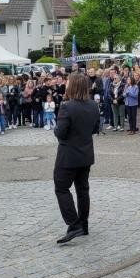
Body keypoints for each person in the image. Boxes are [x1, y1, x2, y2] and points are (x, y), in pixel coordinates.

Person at [52, 72, 101, 244]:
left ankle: (74, 224)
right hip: (86, 154)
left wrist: (56, 128)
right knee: (82, 189)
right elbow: (96, 129)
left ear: (72, 86)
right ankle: (84, 224)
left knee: (61, 188)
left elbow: (60, 132)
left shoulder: (67, 106)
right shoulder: (93, 105)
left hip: (68, 156)